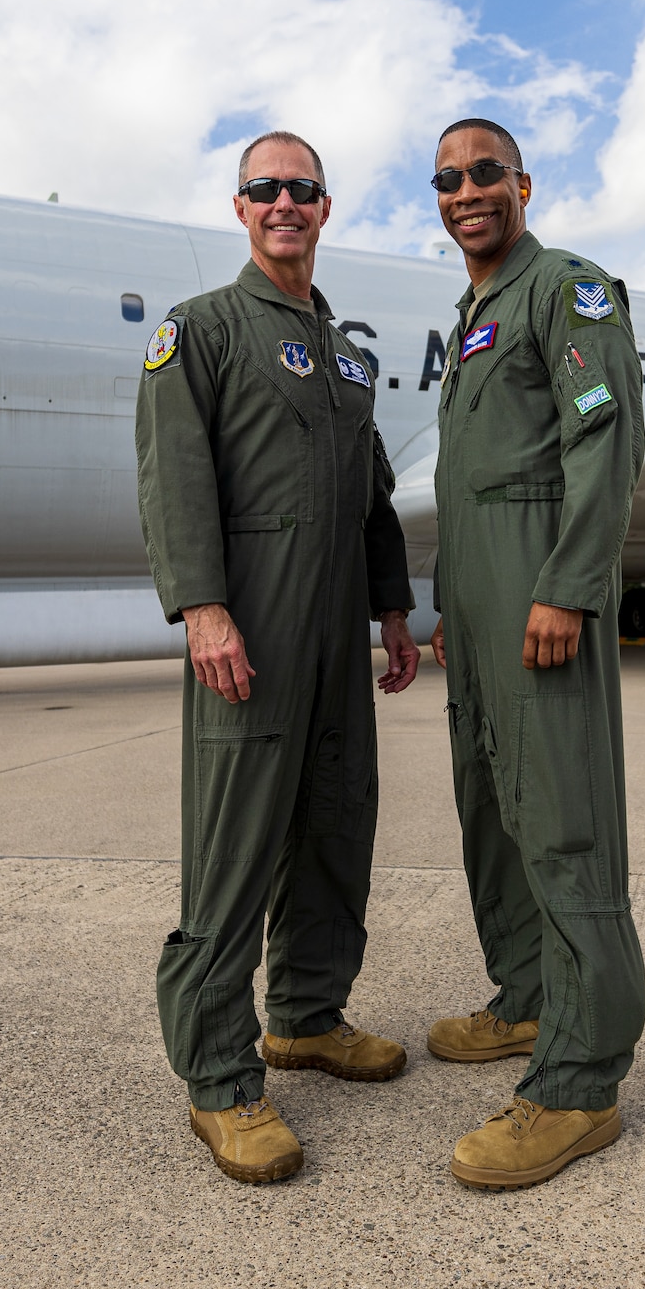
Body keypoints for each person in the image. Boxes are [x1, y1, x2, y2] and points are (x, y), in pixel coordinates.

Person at [136, 130, 420, 1185]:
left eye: (301, 188)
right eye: (265, 189)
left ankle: (306, 1015)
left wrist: (393, 609)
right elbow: (174, 480)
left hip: (339, 634)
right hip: (248, 632)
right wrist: (203, 610)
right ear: (240, 206)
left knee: (336, 824)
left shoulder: (347, 352)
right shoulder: (199, 331)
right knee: (235, 845)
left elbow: (373, 494)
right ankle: (219, 1077)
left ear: (326, 207)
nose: (284, 202)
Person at [426, 117, 645, 1189]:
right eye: (446, 178)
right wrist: (441, 608)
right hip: (476, 616)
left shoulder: (566, 286)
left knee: (561, 822)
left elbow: (602, 435)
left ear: (520, 182)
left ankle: (580, 1079)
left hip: (538, 595)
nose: (464, 190)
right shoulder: (474, 314)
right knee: (493, 810)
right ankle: (526, 998)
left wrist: (567, 582)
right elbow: (468, 482)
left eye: (482, 172)